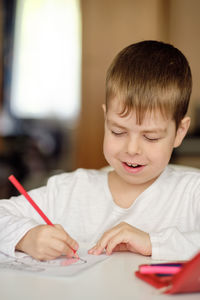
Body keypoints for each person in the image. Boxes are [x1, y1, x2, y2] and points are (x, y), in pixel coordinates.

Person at [0, 40, 199, 262]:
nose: (132, 149)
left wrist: (153, 243)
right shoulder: (70, 190)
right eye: (118, 131)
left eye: (150, 137)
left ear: (180, 132)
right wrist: (25, 237)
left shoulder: (192, 193)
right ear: (106, 119)